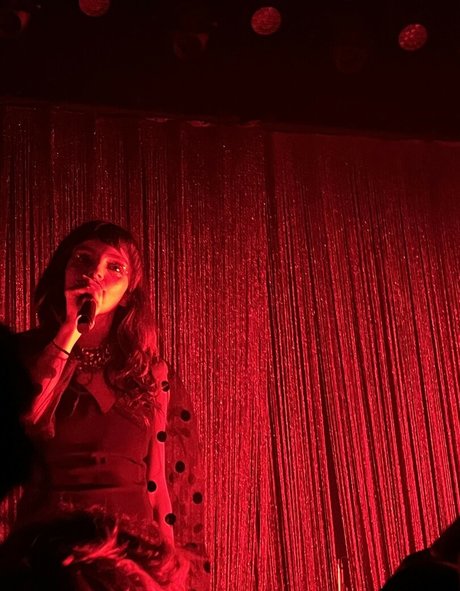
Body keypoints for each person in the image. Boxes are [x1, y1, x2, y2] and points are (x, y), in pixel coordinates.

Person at [13, 221, 209, 588]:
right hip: (49, 556)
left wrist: (177, 571)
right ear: (62, 271)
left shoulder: (151, 374)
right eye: (83, 259)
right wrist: (70, 331)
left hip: (131, 556)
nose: (95, 273)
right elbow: (27, 418)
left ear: (130, 293)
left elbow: (174, 484)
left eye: (114, 266)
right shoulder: (22, 356)